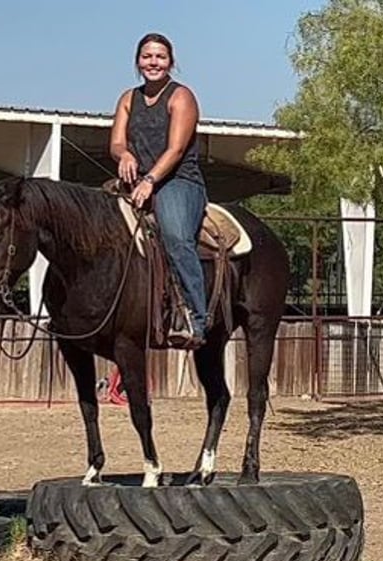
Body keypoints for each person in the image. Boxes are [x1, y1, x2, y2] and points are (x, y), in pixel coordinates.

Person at [110, 32, 208, 348]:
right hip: (134, 181)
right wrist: (124, 154)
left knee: (176, 236)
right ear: (138, 61)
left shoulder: (181, 97)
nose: (153, 62)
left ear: (171, 62)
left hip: (177, 181)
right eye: (147, 56)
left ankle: (195, 316)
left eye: (160, 57)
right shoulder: (128, 98)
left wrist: (149, 180)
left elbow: (176, 149)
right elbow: (116, 141)